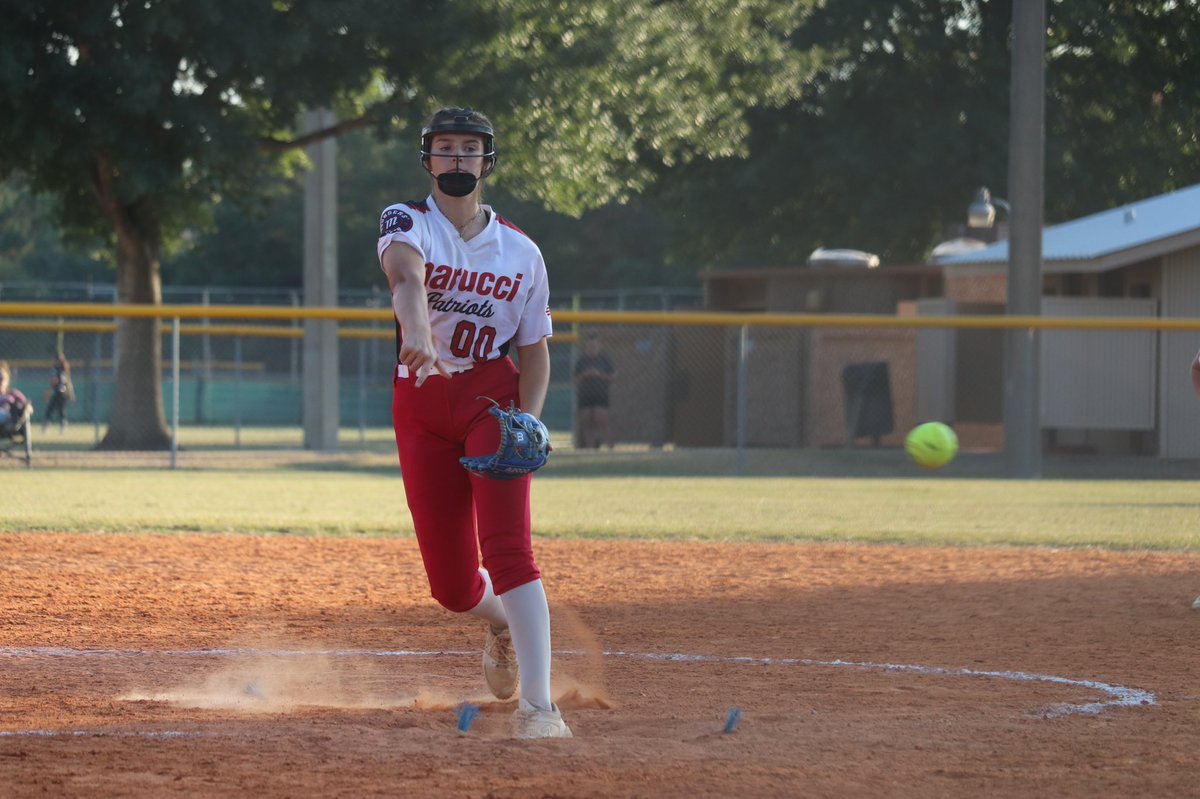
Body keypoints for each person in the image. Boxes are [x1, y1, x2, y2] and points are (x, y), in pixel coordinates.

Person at [376, 107, 570, 739]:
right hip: (421, 403)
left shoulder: (522, 251)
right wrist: (417, 332)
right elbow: (406, 277)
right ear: (427, 159)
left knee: (510, 548)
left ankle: (539, 708)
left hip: (492, 398)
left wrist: (529, 422)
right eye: (445, 147)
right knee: (453, 587)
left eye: (468, 148)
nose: (456, 158)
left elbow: (534, 350)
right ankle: (501, 620)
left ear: (487, 160)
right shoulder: (408, 220)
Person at [573, 333, 616, 449]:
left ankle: (610, 448)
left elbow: (613, 377)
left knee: (602, 420)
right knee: (587, 422)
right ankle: (590, 448)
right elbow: (575, 380)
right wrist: (585, 375)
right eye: (590, 345)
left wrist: (599, 374)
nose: (592, 347)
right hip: (585, 396)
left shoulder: (604, 360)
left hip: (600, 395)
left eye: (594, 345)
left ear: (599, 346)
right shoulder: (581, 361)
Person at [42, 352, 72, 432]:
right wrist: (70, 392)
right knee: (61, 409)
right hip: (63, 392)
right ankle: (63, 424)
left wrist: (48, 391)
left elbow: (54, 381)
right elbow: (68, 382)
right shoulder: (64, 369)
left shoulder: (56, 369)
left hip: (57, 392)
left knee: (50, 409)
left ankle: (47, 425)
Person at [0, 360, 31, 433]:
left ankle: (15, 422)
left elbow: (28, 408)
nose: (1, 382)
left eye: (2, 379)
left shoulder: (13, 394)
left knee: (17, 406)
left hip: (12, 417)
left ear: (8, 380)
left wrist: (26, 408)